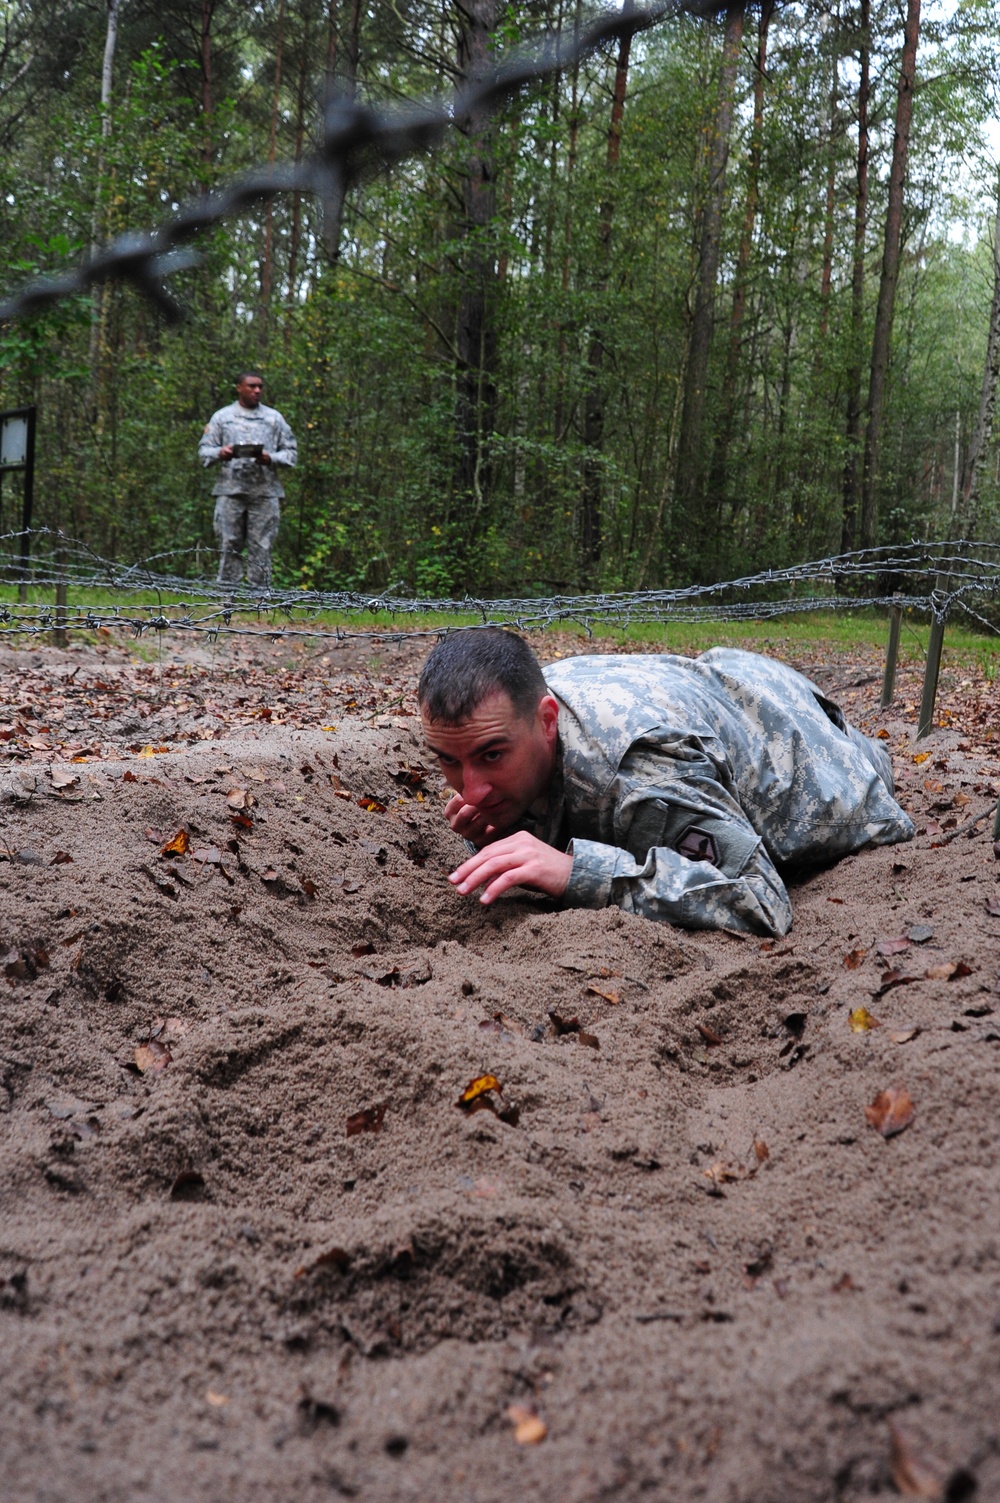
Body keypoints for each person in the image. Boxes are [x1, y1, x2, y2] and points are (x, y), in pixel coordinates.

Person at [417, 628, 914, 936]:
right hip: (718, 684)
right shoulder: (512, 708)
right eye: (449, 762)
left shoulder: (641, 771)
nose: (471, 789)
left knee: (859, 771)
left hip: (820, 750)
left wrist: (576, 873)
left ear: (546, 721)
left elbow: (763, 900)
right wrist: (513, 827)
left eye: (492, 756)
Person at [198, 371, 297, 589]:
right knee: (228, 543)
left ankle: (260, 599)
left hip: (264, 492)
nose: (257, 390)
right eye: (252, 386)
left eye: (260, 386)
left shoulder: (274, 419)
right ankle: (226, 598)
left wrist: (270, 458)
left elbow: (291, 453)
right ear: (239, 388)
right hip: (230, 491)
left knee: (262, 546)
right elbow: (204, 451)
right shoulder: (222, 418)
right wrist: (220, 453)